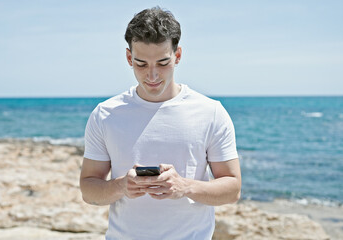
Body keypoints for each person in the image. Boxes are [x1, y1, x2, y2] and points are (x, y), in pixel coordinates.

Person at [79, 6, 241, 240]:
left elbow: (232, 189)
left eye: (163, 63)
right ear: (128, 58)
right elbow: (89, 189)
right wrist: (121, 186)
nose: (152, 76)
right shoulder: (105, 114)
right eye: (141, 64)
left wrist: (184, 186)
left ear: (178, 56)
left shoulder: (211, 112)